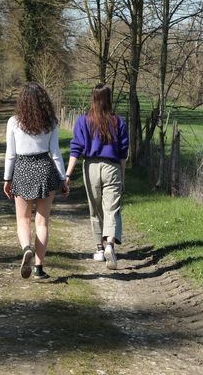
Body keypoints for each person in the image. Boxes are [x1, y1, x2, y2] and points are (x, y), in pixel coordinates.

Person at [3, 82, 68, 280]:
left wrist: (7, 178)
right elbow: (55, 153)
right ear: (43, 101)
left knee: (23, 219)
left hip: (22, 169)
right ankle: (39, 268)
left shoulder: (13, 122)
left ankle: (26, 249)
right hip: (45, 169)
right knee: (42, 222)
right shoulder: (51, 123)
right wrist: (63, 178)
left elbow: (10, 155)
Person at [65, 83, 128, 270]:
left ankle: (99, 249)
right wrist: (122, 177)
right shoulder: (118, 121)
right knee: (112, 209)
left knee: (95, 209)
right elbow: (123, 152)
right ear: (109, 99)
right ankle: (110, 244)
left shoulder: (83, 121)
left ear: (93, 98)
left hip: (90, 167)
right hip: (112, 167)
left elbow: (75, 149)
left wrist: (68, 174)